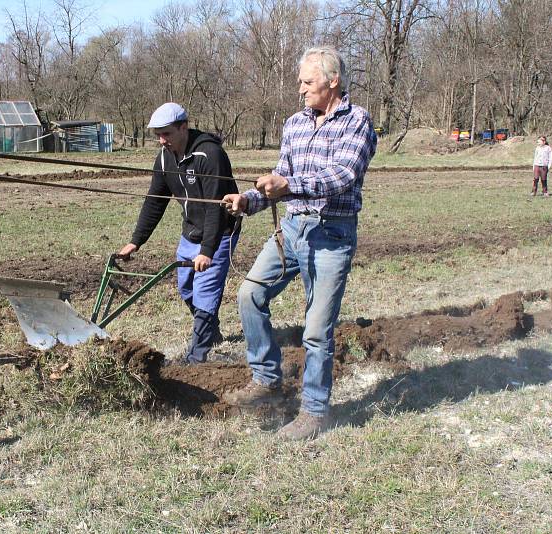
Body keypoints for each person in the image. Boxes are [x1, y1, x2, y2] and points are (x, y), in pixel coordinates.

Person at [222, 46, 377, 440]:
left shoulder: (357, 122)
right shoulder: (294, 124)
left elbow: (342, 175)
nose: (301, 89)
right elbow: (280, 178)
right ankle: (266, 379)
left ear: (333, 80)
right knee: (249, 295)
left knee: (317, 329)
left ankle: (314, 411)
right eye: (300, 82)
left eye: (307, 82)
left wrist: (288, 186)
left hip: (331, 234)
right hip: (291, 230)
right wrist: (249, 200)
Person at [118, 103, 240, 364]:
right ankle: (211, 332)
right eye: (158, 135)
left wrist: (208, 251)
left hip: (220, 233)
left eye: (167, 134)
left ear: (183, 127)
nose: (162, 140)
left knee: (205, 291)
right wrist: (135, 241)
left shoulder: (210, 154)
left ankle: (195, 359)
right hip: (191, 230)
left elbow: (216, 208)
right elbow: (155, 201)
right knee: (187, 288)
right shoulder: (164, 158)